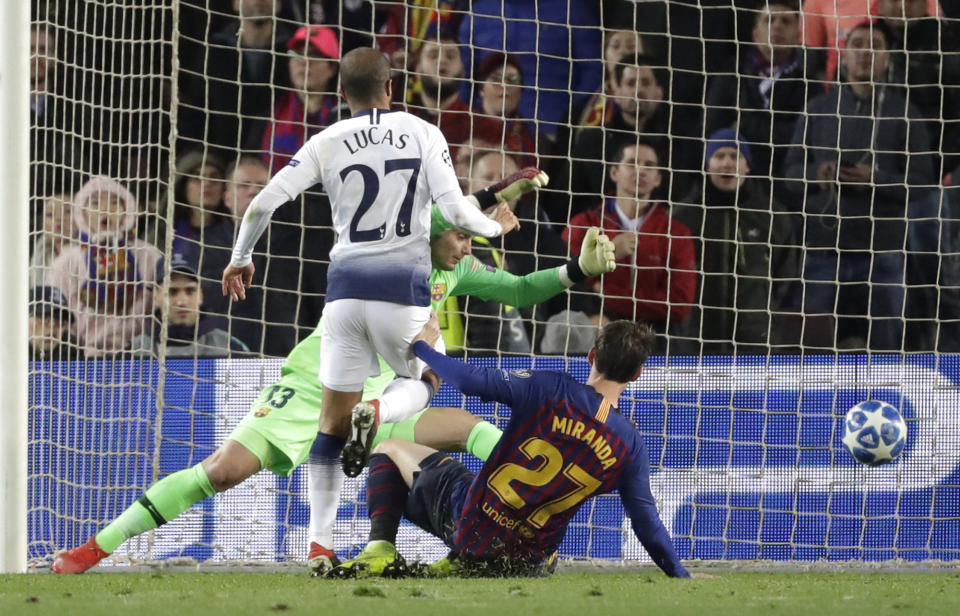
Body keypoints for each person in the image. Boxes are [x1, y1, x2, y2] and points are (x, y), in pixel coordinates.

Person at [49, 193, 609, 575]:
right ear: (435, 230)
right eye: (462, 237)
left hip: (385, 391)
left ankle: (525, 538)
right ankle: (96, 548)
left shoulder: (455, 268)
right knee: (222, 471)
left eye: (470, 239)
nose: (468, 248)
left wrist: (576, 272)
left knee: (480, 432)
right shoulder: (392, 250)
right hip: (319, 379)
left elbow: (519, 290)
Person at [221, 46, 525, 527]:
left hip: (342, 296)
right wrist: (495, 230)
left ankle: (318, 547)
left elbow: (260, 204)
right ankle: (379, 409)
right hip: (401, 293)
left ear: (342, 93)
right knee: (427, 378)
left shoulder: (327, 139)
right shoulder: (424, 132)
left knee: (330, 425)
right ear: (391, 88)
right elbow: (461, 213)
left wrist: (240, 258)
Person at [332, 318, 695, 579]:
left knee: (390, 449)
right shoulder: (629, 444)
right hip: (529, 561)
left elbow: (469, 381)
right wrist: (679, 573)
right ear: (636, 375)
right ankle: (496, 561)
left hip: (472, 529)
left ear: (591, 356)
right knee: (533, 524)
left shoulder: (550, 389)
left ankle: (381, 550)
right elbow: (646, 522)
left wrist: (423, 348)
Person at [783, 22, 935, 350]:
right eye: (858, 44)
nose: (866, 51)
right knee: (812, 355)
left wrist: (876, 178)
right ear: (844, 54)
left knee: (887, 353)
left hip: (883, 254)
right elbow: (790, 176)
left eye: (876, 44)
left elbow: (923, 183)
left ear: (888, 58)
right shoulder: (817, 109)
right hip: (823, 252)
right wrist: (819, 172)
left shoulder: (905, 113)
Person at [672, 129, 800, 354]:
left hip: (756, 336)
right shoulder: (683, 216)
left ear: (747, 166)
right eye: (719, 156)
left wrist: (759, 305)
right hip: (693, 334)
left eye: (735, 156)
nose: (727, 164)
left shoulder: (772, 215)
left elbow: (785, 272)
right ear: (707, 164)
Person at [564, 140, 697, 349]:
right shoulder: (583, 224)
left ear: (658, 179)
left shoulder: (677, 233)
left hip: (659, 340)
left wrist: (604, 292)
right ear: (614, 172)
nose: (641, 171)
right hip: (597, 334)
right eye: (632, 163)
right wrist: (610, 253)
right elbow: (565, 283)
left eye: (649, 165)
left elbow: (679, 305)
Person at [704, 0, 818, 182]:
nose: (777, 27)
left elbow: (800, 138)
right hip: (736, 178)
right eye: (769, 20)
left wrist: (743, 125)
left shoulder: (810, 83)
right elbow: (714, 128)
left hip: (784, 181)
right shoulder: (731, 75)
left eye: (786, 22)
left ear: (798, 35)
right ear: (756, 34)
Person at [47, 176, 162, 356]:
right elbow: (57, 315)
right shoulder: (66, 262)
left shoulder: (149, 255)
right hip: (84, 358)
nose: (105, 209)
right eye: (95, 203)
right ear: (82, 213)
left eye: (115, 202)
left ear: (127, 210)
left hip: (140, 356)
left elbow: (161, 308)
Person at [128, 254, 249, 358]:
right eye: (172, 292)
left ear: (201, 295)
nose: (182, 302)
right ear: (155, 297)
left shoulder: (228, 346)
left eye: (190, 291)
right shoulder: (134, 350)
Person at [261, 25, 341, 174]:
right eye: (297, 54)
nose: (304, 62)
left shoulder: (346, 115)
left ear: (333, 68)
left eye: (314, 55)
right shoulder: (270, 111)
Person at [30, 192, 77, 288]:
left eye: (68, 211)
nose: (59, 218)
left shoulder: (92, 256)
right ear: (43, 225)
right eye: (50, 214)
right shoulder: (36, 262)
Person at [29, 285, 82, 362]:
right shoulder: (8, 357)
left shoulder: (74, 360)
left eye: (60, 319)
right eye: (43, 316)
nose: (52, 325)